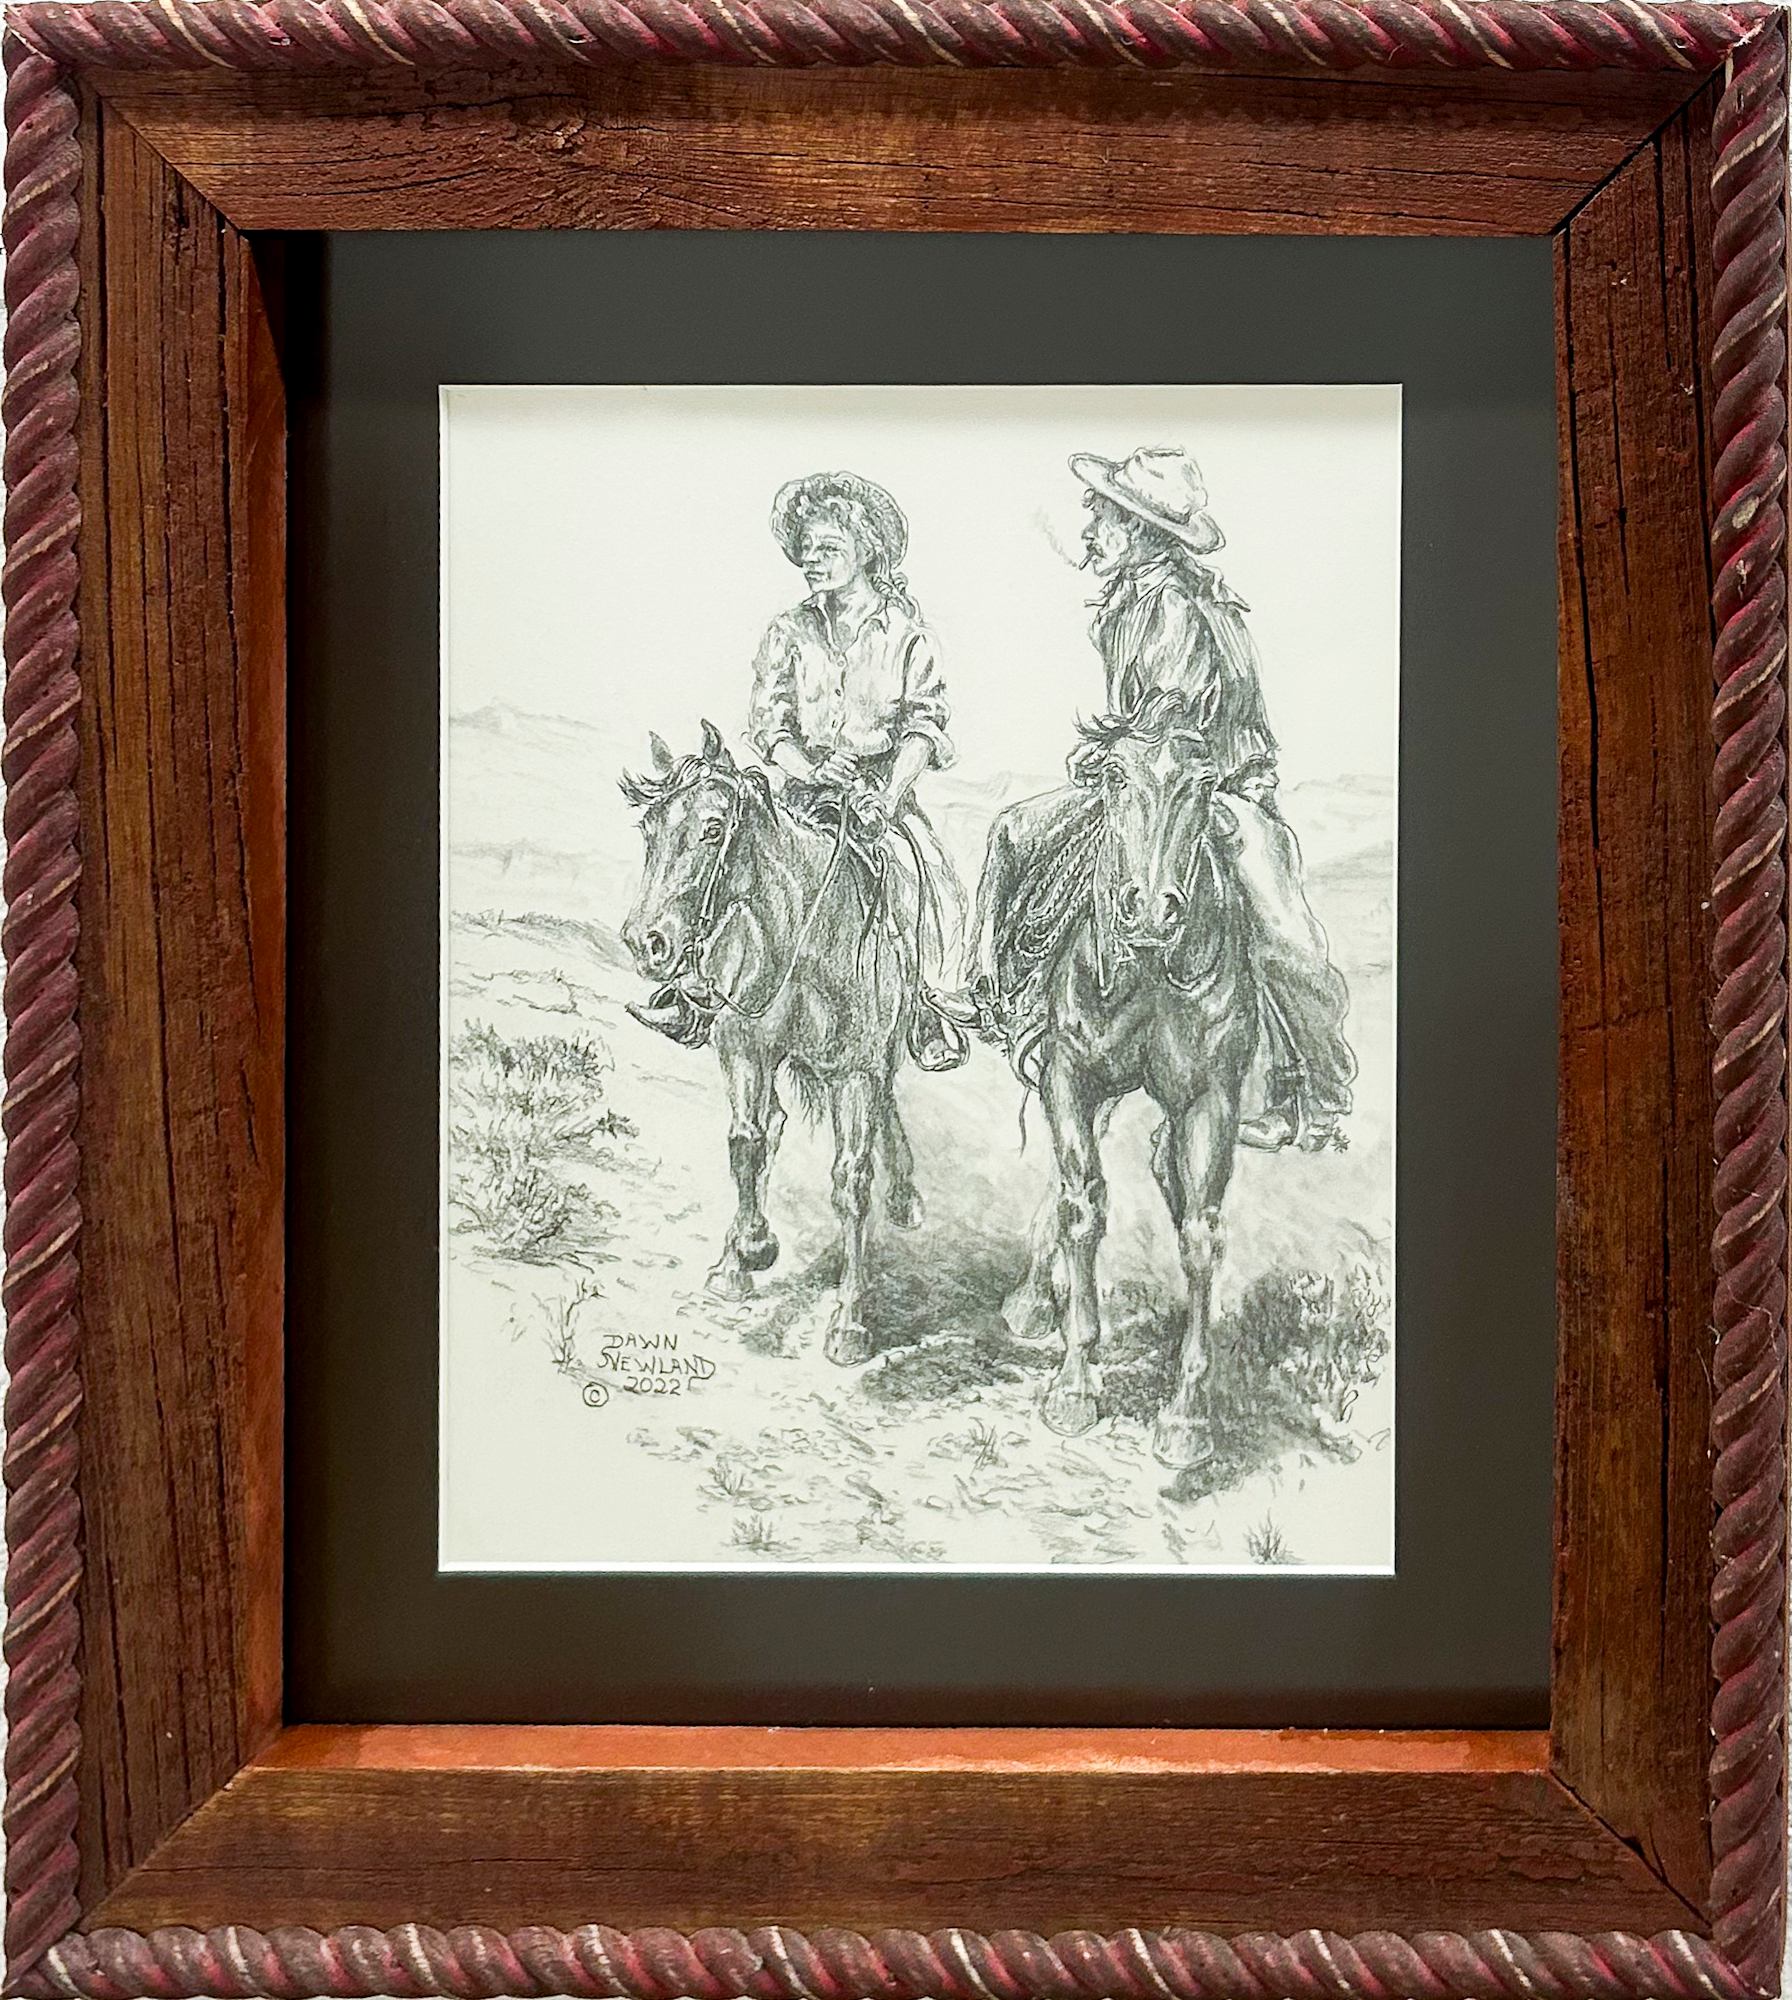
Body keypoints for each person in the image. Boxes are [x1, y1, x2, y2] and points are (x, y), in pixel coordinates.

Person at [949, 446, 1355, 1150]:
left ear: (1140, 530)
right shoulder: (1128, 604)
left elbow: (1175, 724)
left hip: (1216, 785)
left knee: (1286, 934)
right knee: (1016, 831)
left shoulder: (1179, 607)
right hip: (1143, 778)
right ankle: (993, 991)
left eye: (1103, 519)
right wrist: (1113, 756)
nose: (1089, 533)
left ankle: (1317, 1089)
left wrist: (1110, 748)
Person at [634, 469, 969, 1072]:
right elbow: (770, 727)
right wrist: (810, 770)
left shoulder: (908, 636)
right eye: (806, 548)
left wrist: (889, 794)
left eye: (828, 547)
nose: (811, 559)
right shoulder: (787, 632)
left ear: (867, 550)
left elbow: (923, 728)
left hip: (879, 797)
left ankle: (926, 1005)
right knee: (732, 863)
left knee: (927, 880)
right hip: (799, 794)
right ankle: (694, 994)